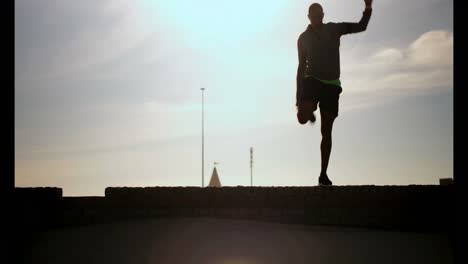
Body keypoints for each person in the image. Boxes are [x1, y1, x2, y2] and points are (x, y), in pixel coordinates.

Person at [296, 0, 373, 186]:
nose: (316, 18)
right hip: (312, 81)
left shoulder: (334, 29)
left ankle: (323, 175)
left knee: (326, 132)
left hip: (331, 85)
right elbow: (300, 67)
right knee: (302, 118)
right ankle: (309, 108)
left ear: (324, 15)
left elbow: (361, 27)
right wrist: (298, 97)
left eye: (319, 15)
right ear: (308, 17)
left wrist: (368, 8)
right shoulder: (303, 38)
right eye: (313, 16)